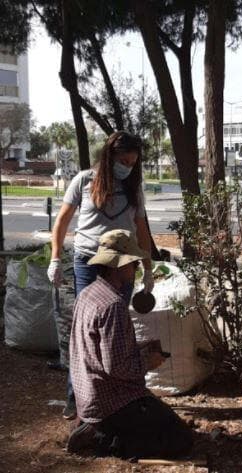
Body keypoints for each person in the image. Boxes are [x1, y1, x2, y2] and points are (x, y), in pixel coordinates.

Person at [47, 131, 154, 420]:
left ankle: (119, 395)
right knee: (84, 329)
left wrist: (147, 267)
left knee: (117, 328)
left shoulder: (134, 187)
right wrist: (56, 257)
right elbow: (62, 222)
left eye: (133, 161)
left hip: (121, 262)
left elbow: (142, 229)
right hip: (87, 261)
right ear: (109, 157)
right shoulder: (83, 180)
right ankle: (77, 396)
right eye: (123, 160)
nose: (128, 166)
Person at [67, 229, 193, 459]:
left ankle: (101, 429)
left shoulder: (87, 294)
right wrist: (149, 362)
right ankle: (103, 440)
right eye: (133, 263)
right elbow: (116, 368)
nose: (135, 268)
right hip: (112, 401)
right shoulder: (113, 305)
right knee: (182, 440)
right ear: (118, 266)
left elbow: (94, 350)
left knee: (165, 422)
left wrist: (138, 347)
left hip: (88, 395)